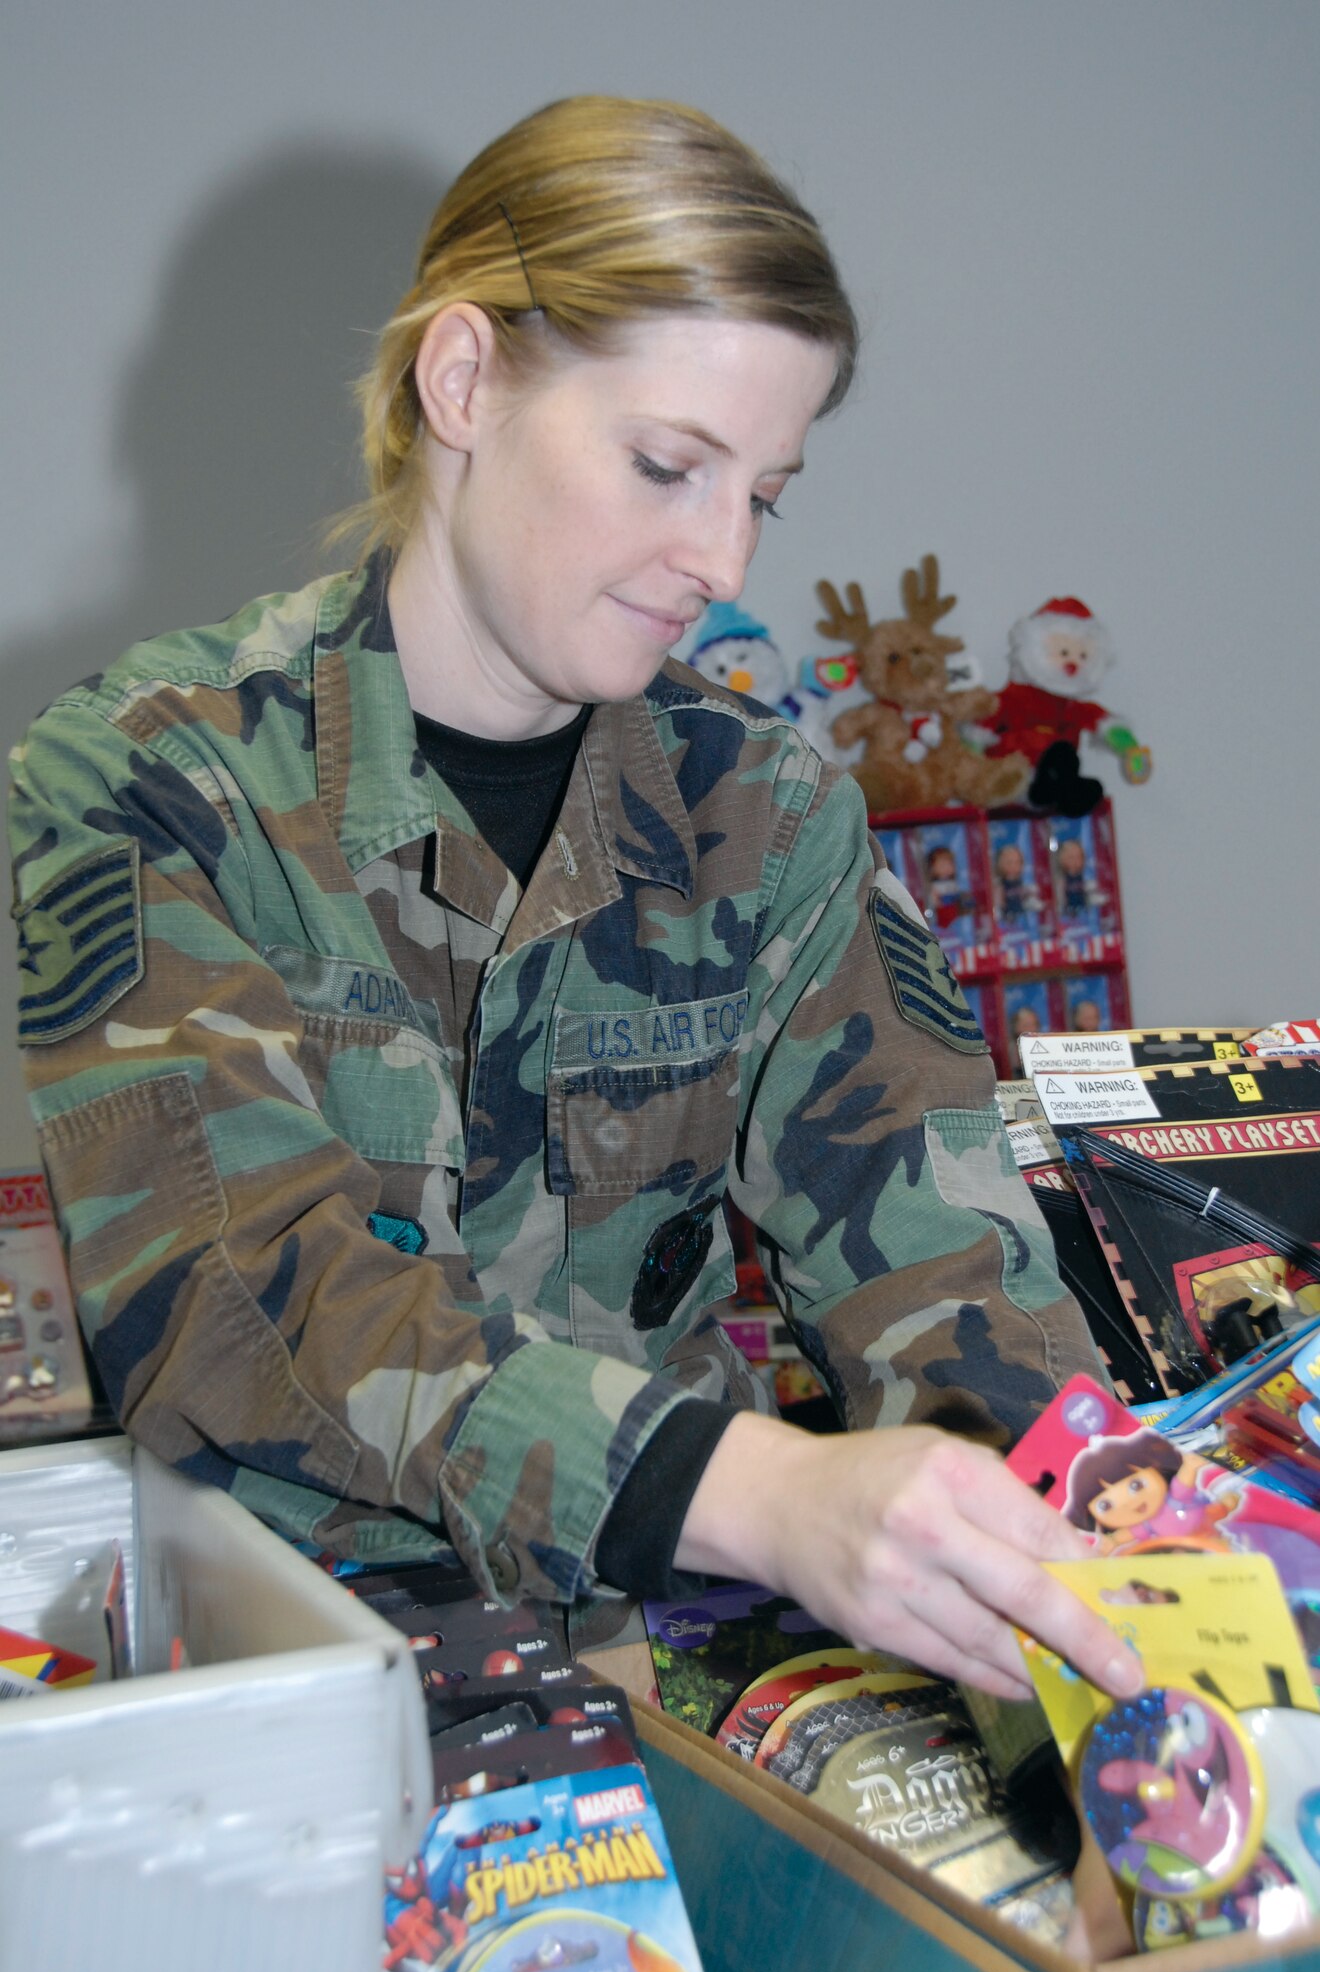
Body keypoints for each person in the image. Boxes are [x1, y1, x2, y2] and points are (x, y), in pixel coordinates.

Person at [9, 95, 1140, 1706]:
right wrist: (750, 1489)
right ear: (461, 381)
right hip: (294, 1713)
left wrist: (1081, 1534)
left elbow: (941, 1263)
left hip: (664, 1698)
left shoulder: (766, 811)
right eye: (669, 464)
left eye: (766, 491)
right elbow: (241, 1296)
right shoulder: (146, 778)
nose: (724, 559)